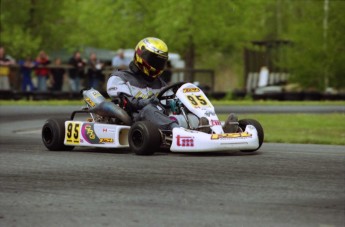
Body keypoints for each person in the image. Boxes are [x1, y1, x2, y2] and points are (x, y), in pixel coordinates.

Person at [107, 37, 238, 132]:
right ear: (141, 57)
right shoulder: (119, 78)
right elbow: (126, 103)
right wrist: (146, 102)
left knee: (187, 108)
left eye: (160, 62)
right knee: (149, 109)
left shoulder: (159, 82)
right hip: (137, 119)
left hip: (162, 117)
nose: (157, 65)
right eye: (154, 60)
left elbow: (169, 101)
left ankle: (217, 129)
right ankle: (180, 132)